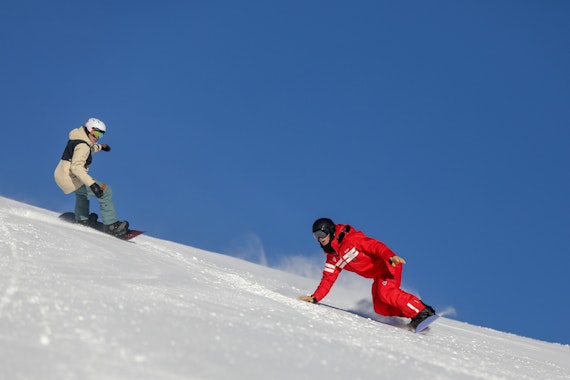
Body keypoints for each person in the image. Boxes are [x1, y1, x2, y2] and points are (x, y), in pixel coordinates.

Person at [298, 217, 436, 330]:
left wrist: (390, 256)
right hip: (378, 275)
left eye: (321, 234)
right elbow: (328, 279)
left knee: (386, 292)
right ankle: (414, 314)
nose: (319, 239)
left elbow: (375, 246)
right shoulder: (332, 258)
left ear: (330, 231)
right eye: (316, 236)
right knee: (380, 308)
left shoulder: (351, 240)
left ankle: (422, 311)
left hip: (388, 264)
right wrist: (315, 298)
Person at [54, 117, 129, 237]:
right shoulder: (83, 146)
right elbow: (77, 167)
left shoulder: (78, 138)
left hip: (62, 176)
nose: (97, 137)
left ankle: (82, 219)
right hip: (72, 177)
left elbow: (89, 149)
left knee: (82, 193)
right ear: (89, 129)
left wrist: (101, 147)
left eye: (101, 135)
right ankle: (111, 226)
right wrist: (92, 185)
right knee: (105, 191)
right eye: (96, 133)